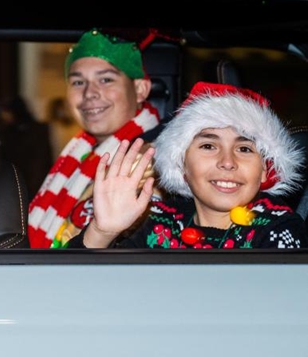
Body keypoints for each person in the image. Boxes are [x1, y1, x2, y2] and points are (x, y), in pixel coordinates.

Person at [68, 82, 307, 249]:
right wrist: (102, 231)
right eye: (208, 146)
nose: (227, 162)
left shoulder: (277, 229)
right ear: (180, 162)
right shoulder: (157, 223)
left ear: (265, 169)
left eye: (244, 149)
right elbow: (72, 294)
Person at [27, 28, 164, 248]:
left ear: (140, 89)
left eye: (106, 80)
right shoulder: (80, 155)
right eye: (78, 82)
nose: (89, 93)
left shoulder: (155, 159)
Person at [0, 95, 52, 194]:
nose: (4, 116)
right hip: (18, 184)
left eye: (6, 112)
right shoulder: (6, 132)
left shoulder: (37, 130)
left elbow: (42, 159)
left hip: (34, 183)